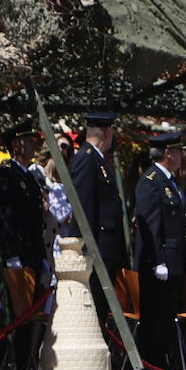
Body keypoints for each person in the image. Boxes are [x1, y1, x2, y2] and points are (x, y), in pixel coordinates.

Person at [0, 121, 49, 370]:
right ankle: (15, 366)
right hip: (17, 257)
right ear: (15, 145)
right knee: (18, 316)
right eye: (29, 139)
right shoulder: (6, 175)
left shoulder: (29, 175)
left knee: (32, 316)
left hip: (33, 255)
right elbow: (5, 220)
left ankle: (26, 363)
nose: (34, 143)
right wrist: (11, 255)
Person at [133, 129, 186, 370]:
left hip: (174, 260)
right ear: (168, 153)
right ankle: (153, 364)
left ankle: (163, 362)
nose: (182, 156)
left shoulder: (169, 181)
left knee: (166, 315)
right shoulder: (151, 181)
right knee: (155, 316)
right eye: (179, 151)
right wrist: (158, 260)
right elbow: (151, 223)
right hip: (160, 262)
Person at [69, 111, 128, 336]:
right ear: (106, 131)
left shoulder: (97, 159)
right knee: (93, 310)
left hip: (105, 249)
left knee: (101, 309)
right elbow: (84, 207)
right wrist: (85, 249)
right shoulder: (87, 158)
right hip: (96, 249)